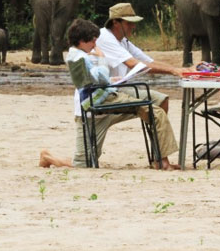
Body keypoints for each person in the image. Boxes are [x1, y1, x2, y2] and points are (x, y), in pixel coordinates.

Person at [39, 18, 180, 170]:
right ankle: (48, 157)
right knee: (83, 163)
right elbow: (98, 78)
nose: (95, 45)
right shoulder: (79, 58)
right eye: (92, 41)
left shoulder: (79, 54)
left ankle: (161, 160)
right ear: (82, 41)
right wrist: (102, 59)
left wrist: (111, 79)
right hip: (98, 104)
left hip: (101, 102)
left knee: (154, 110)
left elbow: (94, 79)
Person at [96, 2, 189, 113]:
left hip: (116, 88)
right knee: (160, 101)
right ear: (115, 22)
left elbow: (149, 61)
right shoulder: (105, 37)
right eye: (129, 23)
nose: (133, 26)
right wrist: (173, 71)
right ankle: (157, 129)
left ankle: (156, 129)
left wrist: (180, 70)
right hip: (104, 92)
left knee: (160, 100)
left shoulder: (123, 40)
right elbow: (132, 64)